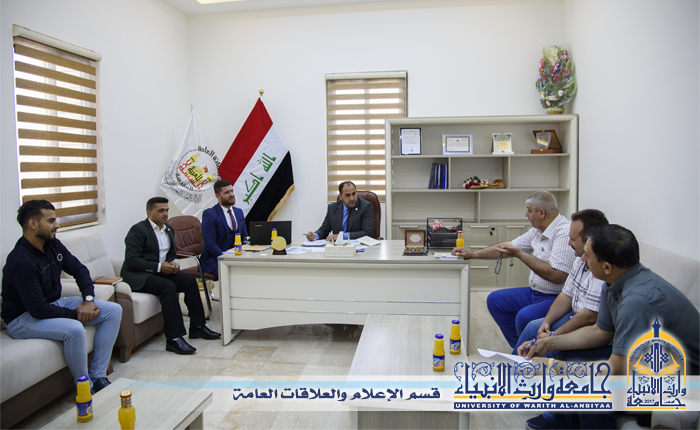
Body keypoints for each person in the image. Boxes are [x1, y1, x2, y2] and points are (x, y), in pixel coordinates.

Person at [520, 224, 700, 430]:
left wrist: (553, 367)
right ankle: (562, 422)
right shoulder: (614, 281)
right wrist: (549, 342)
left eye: (587, 255)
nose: (582, 259)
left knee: (591, 386)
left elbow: (616, 370)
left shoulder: (637, 301)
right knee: (566, 354)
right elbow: (600, 332)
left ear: (606, 267)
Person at [1, 200, 122, 393]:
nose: (57, 225)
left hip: (53, 303)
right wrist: (77, 315)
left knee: (113, 311)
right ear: (33, 224)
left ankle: (98, 376)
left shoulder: (52, 245)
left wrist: (88, 301)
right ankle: (85, 387)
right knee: (74, 329)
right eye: (51, 221)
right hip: (22, 318)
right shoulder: (20, 261)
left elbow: (80, 270)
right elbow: (37, 309)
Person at [452, 191, 576, 347]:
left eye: (529, 210)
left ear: (541, 213)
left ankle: (525, 350)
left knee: (524, 316)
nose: (526, 214)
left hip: (557, 298)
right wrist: (472, 254)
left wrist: (520, 255)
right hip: (535, 292)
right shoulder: (538, 230)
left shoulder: (564, 233)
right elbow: (507, 247)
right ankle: (521, 347)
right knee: (496, 300)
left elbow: (558, 275)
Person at [121, 197, 220, 355]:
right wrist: (160, 267)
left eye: (167, 210)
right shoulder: (138, 230)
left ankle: (198, 327)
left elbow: (170, 254)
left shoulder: (168, 229)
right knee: (168, 287)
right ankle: (174, 338)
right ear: (149, 213)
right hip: (139, 276)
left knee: (189, 281)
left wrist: (171, 265)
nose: (165, 214)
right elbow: (131, 260)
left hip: (160, 271)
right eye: (161, 211)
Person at [513, 209, 612, 361]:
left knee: (550, 350)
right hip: (574, 314)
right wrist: (547, 321)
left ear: (590, 241)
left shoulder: (600, 269)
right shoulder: (580, 260)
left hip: (589, 327)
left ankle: (523, 368)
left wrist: (553, 336)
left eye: (573, 239)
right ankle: (513, 365)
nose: (568, 243)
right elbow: (566, 295)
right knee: (533, 327)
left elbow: (589, 316)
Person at [200, 179, 248, 278]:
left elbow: (244, 237)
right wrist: (225, 258)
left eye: (232, 191)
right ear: (218, 196)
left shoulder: (239, 212)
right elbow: (210, 244)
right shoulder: (210, 214)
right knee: (234, 275)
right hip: (214, 259)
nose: (231, 194)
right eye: (227, 192)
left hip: (236, 256)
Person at [306, 181, 374, 241]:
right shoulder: (332, 208)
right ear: (340, 197)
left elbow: (367, 233)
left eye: (354, 194)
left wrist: (342, 236)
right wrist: (315, 235)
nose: (352, 198)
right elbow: (324, 229)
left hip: (358, 247)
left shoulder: (366, 207)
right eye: (347, 195)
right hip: (337, 247)